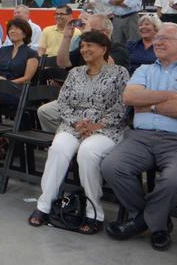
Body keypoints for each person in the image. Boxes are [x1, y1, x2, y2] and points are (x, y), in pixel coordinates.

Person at [102, 22, 177, 250]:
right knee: (112, 166)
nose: (157, 42)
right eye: (157, 38)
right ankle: (158, 222)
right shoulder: (144, 70)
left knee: (173, 180)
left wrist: (150, 105)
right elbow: (130, 97)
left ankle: (141, 222)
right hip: (140, 137)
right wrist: (171, 95)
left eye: (164, 38)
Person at [29, 32, 130, 232]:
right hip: (73, 125)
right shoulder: (75, 73)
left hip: (106, 128)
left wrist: (96, 125)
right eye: (82, 46)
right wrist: (77, 123)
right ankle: (44, 205)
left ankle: (95, 212)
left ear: (103, 48)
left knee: (87, 152)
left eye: (89, 45)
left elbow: (123, 107)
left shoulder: (119, 73)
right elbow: (63, 103)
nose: (84, 50)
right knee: (58, 148)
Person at [0, 18, 39, 121]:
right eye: (10, 29)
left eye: (16, 28)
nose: (12, 31)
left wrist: (7, 83)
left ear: (25, 33)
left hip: (18, 91)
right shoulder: (3, 50)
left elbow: (27, 78)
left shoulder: (31, 53)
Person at [53, 14, 131, 78]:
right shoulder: (84, 49)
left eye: (93, 31)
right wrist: (67, 37)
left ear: (106, 33)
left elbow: (105, 67)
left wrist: (87, 35)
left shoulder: (119, 50)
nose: (88, 34)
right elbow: (62, 63)